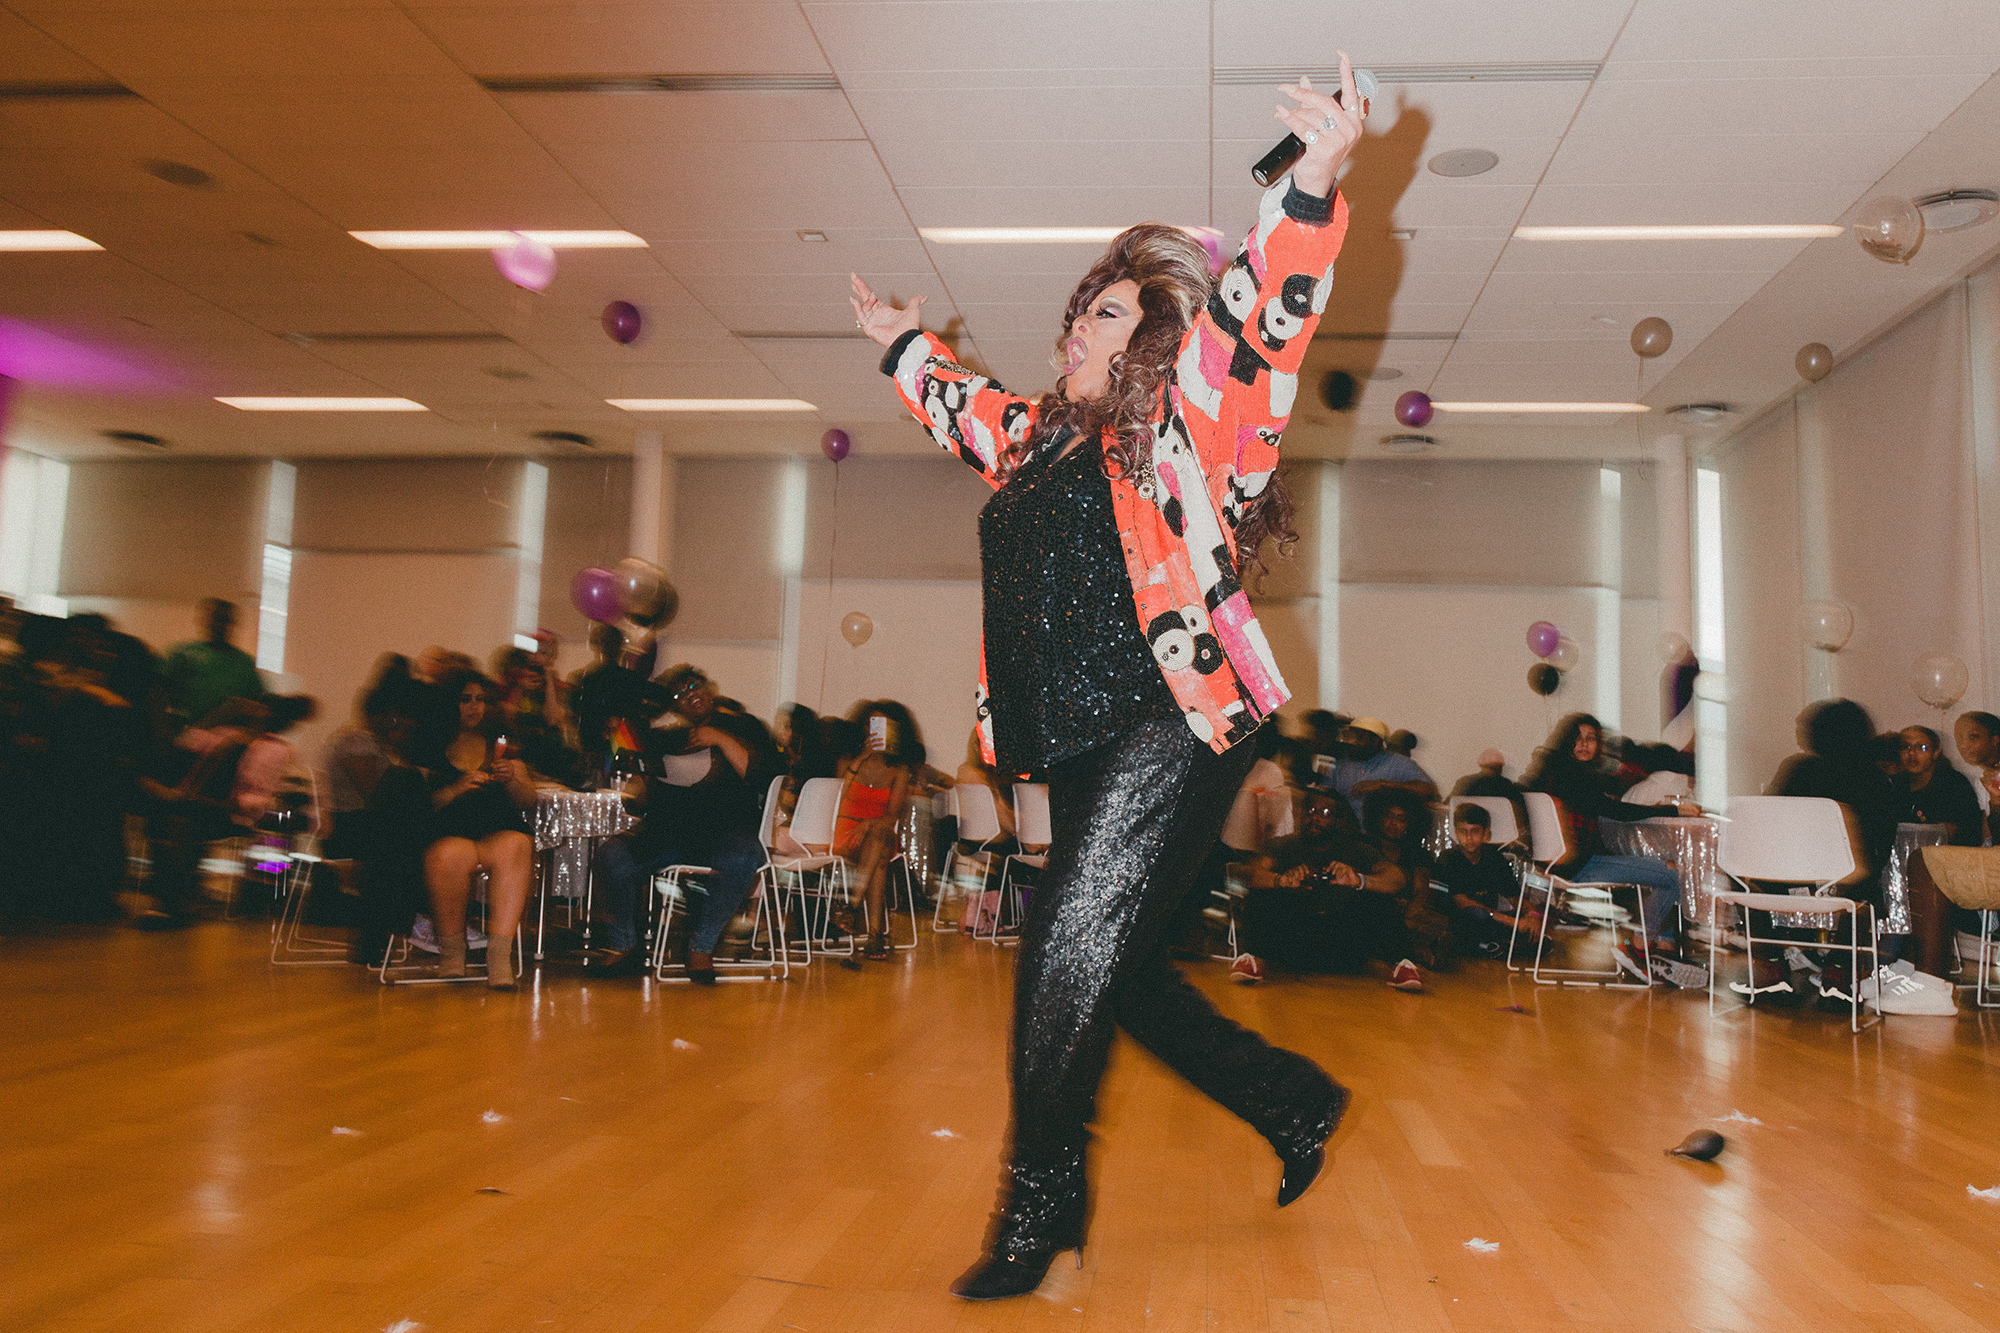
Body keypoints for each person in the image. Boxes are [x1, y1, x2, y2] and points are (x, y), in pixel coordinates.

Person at [853, 58, 1363, 1300]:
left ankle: (1038, 1208)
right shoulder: (1033, 442)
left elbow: (1259, 321)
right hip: (1080, 739)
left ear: (1154, 345)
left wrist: (1312, 186)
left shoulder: (1188, 430)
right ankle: (1289, 1098)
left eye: (1104, 315)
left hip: (1176, 719)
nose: (1074, 327)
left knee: (1063, 948)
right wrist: (903, 347)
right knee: (1115, 969)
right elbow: (964, 406)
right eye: (1078, 309)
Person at [595, 665, 783, 981]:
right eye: (680, 694)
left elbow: (761, 775)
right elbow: (644, 795)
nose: (691, 695)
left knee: (744, 854)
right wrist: (633, 773)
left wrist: (720, 738)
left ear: (709, 689)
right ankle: (624, 946)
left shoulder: (745, 726)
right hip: (670, 831)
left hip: (728, 829)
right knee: (610, 855)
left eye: (695, 686)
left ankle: (701, 948)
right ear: (674, 706)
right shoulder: (667, 737)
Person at [1522, 713, 1706, 988]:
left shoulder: (1552, 773)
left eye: (1591, 739)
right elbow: (1618, 811)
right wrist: (1674, 809)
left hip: (1559, 864)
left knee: (1659, 868)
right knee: (1673, 874)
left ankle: (1661, 946)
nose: (1584, 745)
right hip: (1583, 864)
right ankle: (1638, 946)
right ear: (1567, 742)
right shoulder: (1576, 776)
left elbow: (1602, 804)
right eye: (1578, 739)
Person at [1759, 699, 1897, 1005]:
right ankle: (1839, 967)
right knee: (1865, 884)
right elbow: (1882, 845)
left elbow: (1768, 823)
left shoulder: (1798, 770)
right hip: (1847, 879)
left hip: (1787, 877)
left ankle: (1770, 962)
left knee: (1748, 872)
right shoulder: (1875, 779)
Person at [1234, 788, 1424, 988]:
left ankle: (1403, 967)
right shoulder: (1283, 845)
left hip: (1342, 946)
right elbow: (1249, 874)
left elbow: (1397, 879)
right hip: (1292, 943)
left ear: (1338, 821)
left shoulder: (1358, 849)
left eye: (1324, 814)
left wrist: (1359, 880)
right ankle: (1252, 960)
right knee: (1263, 893)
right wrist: (1280, 880)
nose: (1314, 818)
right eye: (1310, 811)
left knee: (1379, 898)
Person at [420, 670, 537, 988]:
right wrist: (455, 789)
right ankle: (452, 953)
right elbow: (417, 805)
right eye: (466, 699)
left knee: (518, 844)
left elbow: (528, 800)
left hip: (495, 830)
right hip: (450, 831)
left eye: (482, 700)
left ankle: (499, 957)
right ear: (451, 703)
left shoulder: (499, 746)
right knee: (447, 855)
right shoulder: (431, 748)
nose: (475, 707)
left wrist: (513, 777)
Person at [825, 700, 928, 961]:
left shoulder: (899, 769)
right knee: (880, 857)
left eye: (882, 725)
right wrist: (861, 759)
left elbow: (892, 815)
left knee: (880, 841)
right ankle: (874, 937)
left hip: (877, 830)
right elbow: (836, 797)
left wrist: (869, 823)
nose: (876, 729)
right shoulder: (849, 760)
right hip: (847, 832)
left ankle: (853, 904)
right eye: (871, 724)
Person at [1892, 723, 1982, 980]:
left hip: (1948, 871)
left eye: (1920, 747)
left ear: (1935, 752)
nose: (1911, 754)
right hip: (1900, 867)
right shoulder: (1895, 785)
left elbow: (1965, 831)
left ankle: (1919, 970)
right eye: (1905, 747)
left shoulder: (1952, 784)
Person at [1432, 803, 1531, 957]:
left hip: (1491, 919)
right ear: (1456, 833)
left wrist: (1532, 916)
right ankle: (1492, 946)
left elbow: (1514, 897)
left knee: (1536, 937)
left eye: (1475, 831)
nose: (1468, 838)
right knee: (1477, 915)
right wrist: (1512, 922)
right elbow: (1461, 902)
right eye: (1463, 832)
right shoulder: (1449, 858)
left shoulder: (1494, 858)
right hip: (1458, 920)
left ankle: (1493, 946)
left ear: (1486, 834)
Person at [160, 598, 264, 731]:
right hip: (186, 733)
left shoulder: (245, 663)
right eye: (216, 619)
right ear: (205, 621)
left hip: (228, 740)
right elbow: (158, 690)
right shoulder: (184, 653)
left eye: (225, 620)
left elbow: (257, 703)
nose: (220, 625)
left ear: (233, 624)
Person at [1325, 716, 1435, 821]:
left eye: (1360, 737)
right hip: (1346, 832)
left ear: (1375, 740)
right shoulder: (1340, 765)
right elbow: (1323, 795)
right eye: (1351, 737)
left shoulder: (1397, 763)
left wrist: (1384, 785)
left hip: (1380, 835)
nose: (1353, 742)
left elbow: (1428, 790)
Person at [1449, 747, 1526, 840]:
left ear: (1479, 764)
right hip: (1505, 840)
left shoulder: (1464, 783)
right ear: (1502, 766)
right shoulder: (1510, 788)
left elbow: (1448, 806)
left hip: (1468, 840)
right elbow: (1522, 821)